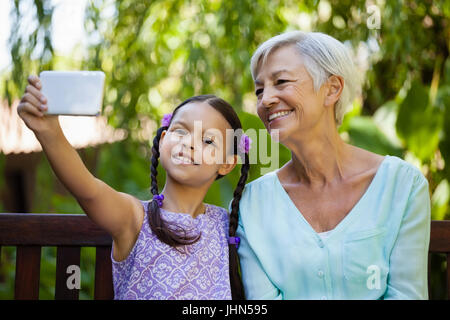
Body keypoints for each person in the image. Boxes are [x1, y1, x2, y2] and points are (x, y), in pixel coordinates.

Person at [236, 31, 431, 299]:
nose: (265, 100)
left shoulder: (402, 185)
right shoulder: (251, 204)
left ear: (332, 89)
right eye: (259, 90)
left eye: (281, 82)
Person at [18, 76, 250, 299]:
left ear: (227, 163)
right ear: (163, 139)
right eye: (181, 131)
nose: (188, 143)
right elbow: (89, 191)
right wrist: (49, 132)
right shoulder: (135, 217)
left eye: (208, 140)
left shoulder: (225, 224)